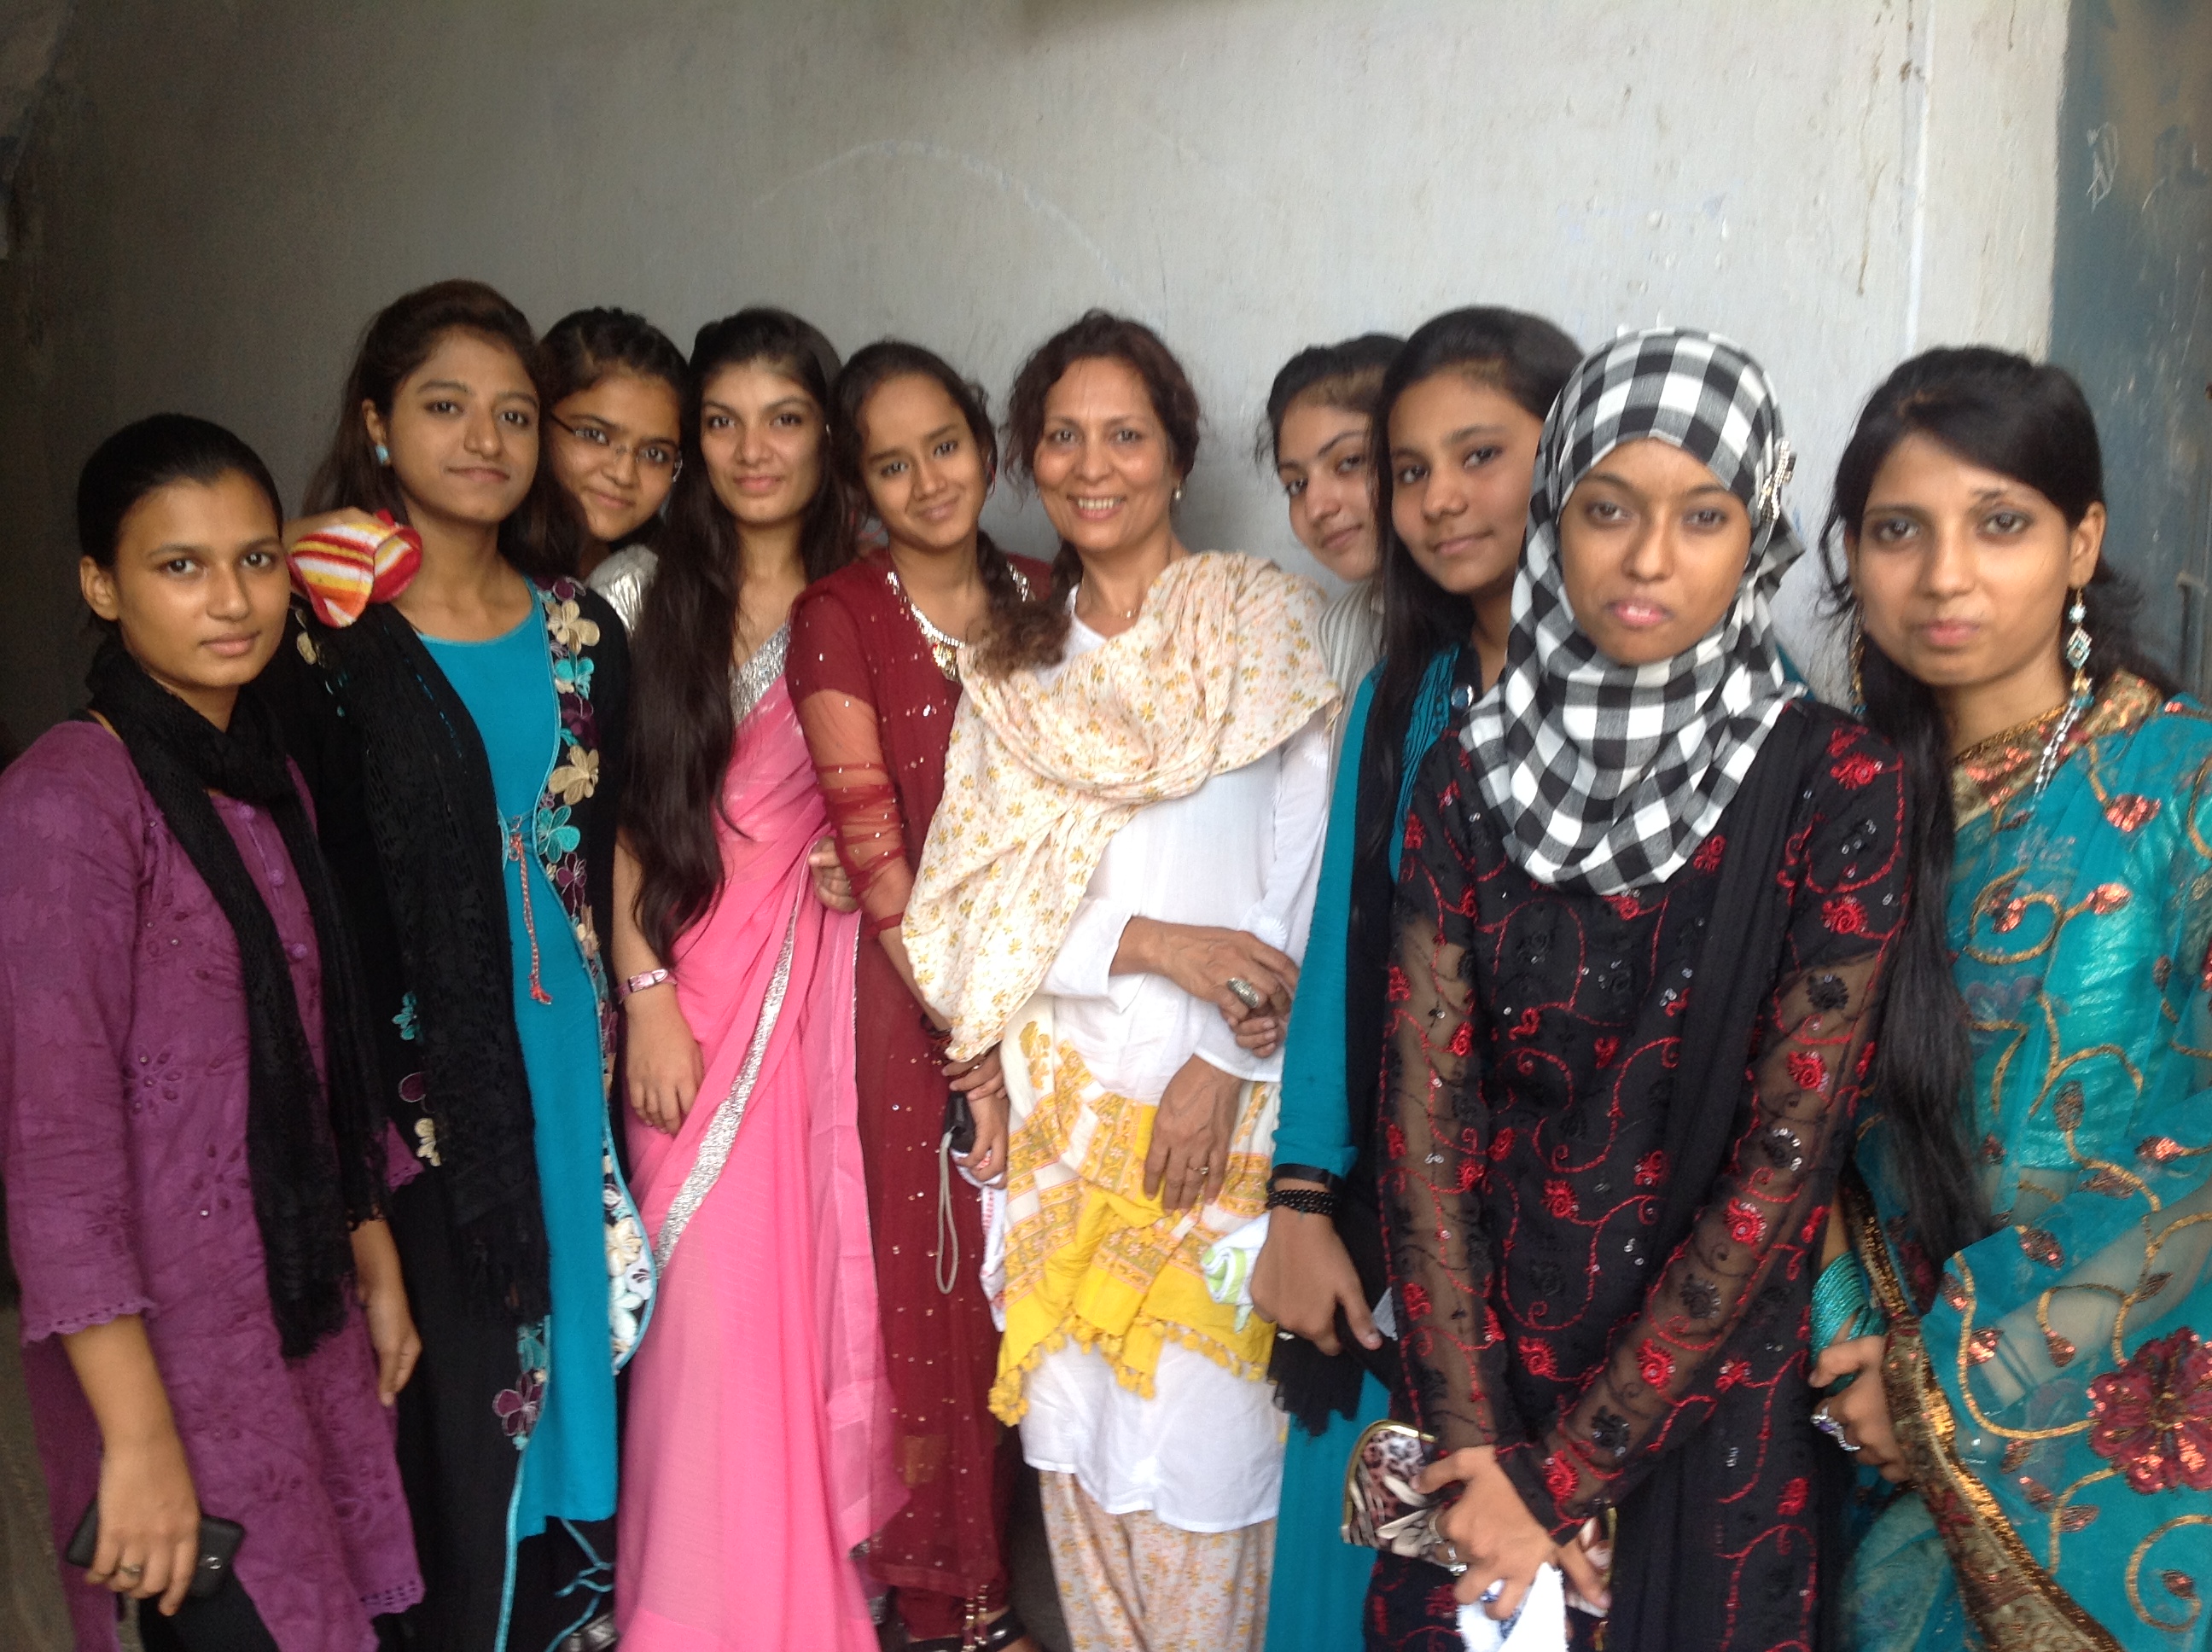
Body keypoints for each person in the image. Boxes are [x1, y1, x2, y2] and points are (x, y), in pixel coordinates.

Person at [1371, 329, 1912, 1650]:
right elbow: (1423, 1130)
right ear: (1558, 518)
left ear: (1759, 534)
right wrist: (1480, 1454)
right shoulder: (1470, 771)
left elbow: (1782, 1168)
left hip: (1708, 1401)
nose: (1649, 558)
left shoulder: (1837, 791)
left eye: (1703, 515)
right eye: (1608, 509)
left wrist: (1560, 1481)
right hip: (1482, 1376)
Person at [905, 310, 1340, 1652]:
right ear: (1030, 462)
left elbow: (1305, 875)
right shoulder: (1016, 670)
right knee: (1083, 1446)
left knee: (1215, 1454)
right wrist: (1151, 943)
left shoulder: (1260, 622)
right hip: (1062, 1120)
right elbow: (969, 908)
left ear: (1176, 452)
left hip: (1229, 1113)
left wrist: (1233, 1067)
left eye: (1127, 433)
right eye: (1064, 436)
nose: (1096, 465)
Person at [0, 415, 422, 1650]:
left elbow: (316, 1052)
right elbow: (55, 1161)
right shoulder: (64, 805)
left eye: (255, 559)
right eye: (178, 566)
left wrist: (375, 1261)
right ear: (99, 585)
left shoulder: (257, 774)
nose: (230, 600)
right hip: (172, 1359)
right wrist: (134, 1446)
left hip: (301, 1311)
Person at [1811, 348, 2207, 1650]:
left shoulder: (2182, 789)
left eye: (2001, 525)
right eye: (1898, 531)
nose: (1944, 577)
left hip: (2125, 1463)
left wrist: (1957, 1376)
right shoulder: (1834, 814)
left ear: (2082, 542)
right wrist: (1861, 1364)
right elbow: (1795, 1136)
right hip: (1877, 1455)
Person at [274, 279, 647, 1652]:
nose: (485, 439)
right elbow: (312, 886)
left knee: (581, 1380)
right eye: (446, 408)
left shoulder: (577, 633)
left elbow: (608, 851)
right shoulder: (321, 639)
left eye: (513, 415)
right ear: (377, 425)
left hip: (569, 1066)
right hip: (424, 1089)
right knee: (450, 1393)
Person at [1249, 309, 1581, 1652]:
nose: (1441, 499)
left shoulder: (1702, 692)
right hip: (1401, 1224)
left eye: (1482, 455)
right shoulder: (1414, 689)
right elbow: (1346, 947)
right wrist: (1302, 1195)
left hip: (1597, 1251)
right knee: (1378, 1572)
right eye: (1411, 468)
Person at [607, 308, 902, 1652]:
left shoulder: (879, 597)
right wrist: (645, 990)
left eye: (783, 417)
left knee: (824, 1299)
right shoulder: (639, 597)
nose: (751, 448)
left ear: (827, 435)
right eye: (719, 422)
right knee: (702, 1337)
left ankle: (808, 1609)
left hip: (831, 1006)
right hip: (692, 1006)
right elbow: (609, 815)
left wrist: (872, 856)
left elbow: (954, 790)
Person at [787, 340, 1051, 1652]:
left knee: (1045, 1290)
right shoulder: (838, 615)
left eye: (944, 445)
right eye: (890, 462)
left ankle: (1033, 1574)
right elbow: (876, 852)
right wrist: (972, 1037)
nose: (927, 479)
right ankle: (958, 1608)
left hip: (1065, 1003)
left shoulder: (1052, 597)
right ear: (859, 482)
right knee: (940, 1295)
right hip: (928, 1021)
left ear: (986, 445)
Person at [1263, 334, 1402, 715]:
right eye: (1296, 484)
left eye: (1350, 461)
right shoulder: (1340, 633)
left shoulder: (1500, 624)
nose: (1316, 508)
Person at [534, 306, 687, 583]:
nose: (623, 475)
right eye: (596, 436)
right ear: (537, 422)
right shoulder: (488, 579)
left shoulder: (663, 582)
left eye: (655, 454)